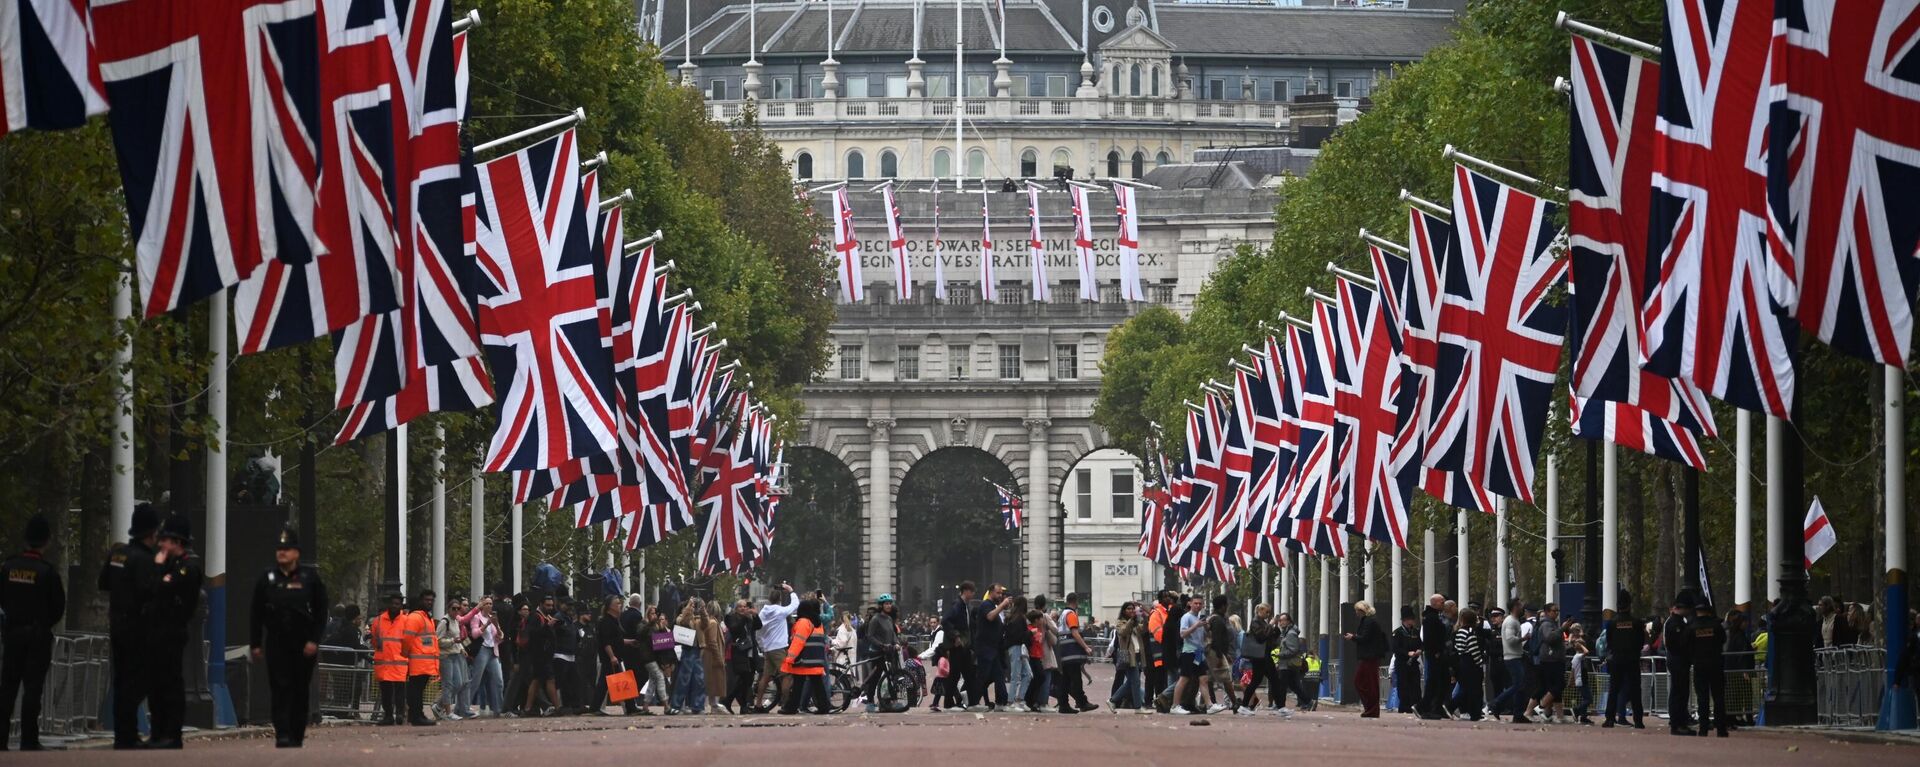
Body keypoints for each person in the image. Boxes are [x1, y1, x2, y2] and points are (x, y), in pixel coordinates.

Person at [247, 525, 326, 747]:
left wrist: (314, 640)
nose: (282, 552)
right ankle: (282, 732)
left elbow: (321, 611)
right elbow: (256, 612)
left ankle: (296, 732)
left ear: (296, 553)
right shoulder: (267, 578)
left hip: (303, 643)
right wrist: (255, 643)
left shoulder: (309, 578)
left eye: (287, 549)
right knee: (280, 687)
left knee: (300, 688)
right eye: (279, 549)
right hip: (277, 641)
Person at [0, 515, 65, 751]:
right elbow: (58, 607)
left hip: (13, 633)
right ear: (46, 541)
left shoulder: (8, 567)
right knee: (32, 689)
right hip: (37, 635)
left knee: (7, 687)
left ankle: (1, 738)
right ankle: (29, 739)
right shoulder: (47, 572)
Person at [101, 502, 159, 749]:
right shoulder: (145, 559)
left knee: (122, 680)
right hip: (138, 628)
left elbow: (103, 582)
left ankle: (123, 734)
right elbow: (149, 593)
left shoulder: (118, 554)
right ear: (151, 532)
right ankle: (129, 734)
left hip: (117, 625)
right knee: (139, 682)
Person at [145, 514, 202, 749]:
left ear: (177, 542)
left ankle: (172, 733)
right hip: (157, 630)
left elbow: (163, 588)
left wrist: (158, 569)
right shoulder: (168, 565)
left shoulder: (187, 568)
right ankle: (157, 732)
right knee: (155, 684)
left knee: (171, 683)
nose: (161, 544)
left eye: (166, 540)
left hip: (173, 630)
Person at [778, 598, 832, 714]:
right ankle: (823, 706)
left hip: (804, 660)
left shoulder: (803, 622)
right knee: (817, 685)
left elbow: (798, 641)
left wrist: (790, 658)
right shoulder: (817, 623)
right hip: (815, 659)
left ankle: (791, 707)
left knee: (798, 686)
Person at [1602, 591, 1647, 729]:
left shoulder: (1612, 623)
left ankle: (1610, 718)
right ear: (1629, 605)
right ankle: (1638, 720)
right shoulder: (1637, 622)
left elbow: (1608, 641)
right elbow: (1641, 641)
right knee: (1635, 690)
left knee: (1614, 689)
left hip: (1616, 659)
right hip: (1632, 659)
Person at [753, 582, 801, 712]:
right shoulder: (780, 611)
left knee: (766, 676)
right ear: (779, 599)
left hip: (768, 648)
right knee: (787, 676)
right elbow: (795, 605)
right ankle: (785, 704)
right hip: (779, 648)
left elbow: (758, 631)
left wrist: (762, 645)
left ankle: (758, 704)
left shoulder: (763, 612)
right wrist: (791, 591)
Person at [369, 593, 410, 725]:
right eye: (392, 603)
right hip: (384, 662)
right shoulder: (378, 621)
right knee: (386, 692)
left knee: (399, 691)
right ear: (388, 604)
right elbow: (375, 641)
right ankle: (388, 715)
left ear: (401, 605)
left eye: (397, 604)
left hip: (399, 661)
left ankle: (399, 714)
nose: (394, 606)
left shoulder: (406, 621)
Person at [1689, 597, 1728, 737]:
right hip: (1716, 663)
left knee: (1702, 698)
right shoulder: (1716, 626)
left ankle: (1703, 728)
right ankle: (1721, 729)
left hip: (1699, 664)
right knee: (1719, 697)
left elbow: (1687, 645)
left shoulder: (1691, 627)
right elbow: (1723, 639)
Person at [969, 583, 1012, 710]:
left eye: (1001, 593)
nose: (1000, 595)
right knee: (982, 676)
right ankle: (973, 702)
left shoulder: (993, 606)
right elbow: (990, 616)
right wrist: (1002, 605)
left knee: (999, 676)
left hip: (993, 648)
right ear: (991, 592)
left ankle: (1001, 702)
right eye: (998, 593)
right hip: (985, 647)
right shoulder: (985, 605)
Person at [1054, 592, 1098, 713]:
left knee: (1065, 680)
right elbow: (1074, 632)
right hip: (1071, 651)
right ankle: (1082, 702)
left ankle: (1063, 705)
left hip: (1063, 651)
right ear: (1076, 601)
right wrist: (1085, 647)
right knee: (1076, 679)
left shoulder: (1062, 614)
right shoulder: (1071, 614)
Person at [858, 594, 900, 712]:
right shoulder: (876, 619)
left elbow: (892, 635)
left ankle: (892, 701)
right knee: (875, 678)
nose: (888, 605)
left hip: (887, 652)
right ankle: (870, 703)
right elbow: (870, 636)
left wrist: (896, 644)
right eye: (886, 603)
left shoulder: (889, 619)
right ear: (881, 605)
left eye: (890, 603)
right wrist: (881, 645)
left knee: (890, 676)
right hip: (877, 652)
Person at [465, 596, 506, 716]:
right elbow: (474, 634)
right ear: (482, 605)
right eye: (487, 603)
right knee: (475, 681)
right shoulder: (476, 617)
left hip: (493, 650)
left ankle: (498, 709)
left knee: (498, 680)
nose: (489, 606)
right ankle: (464, 706)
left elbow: (500, 637)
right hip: (482, 649)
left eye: (491, 603)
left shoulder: (492, 618)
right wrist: (487, 624)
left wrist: (496, 625)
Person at [404, 590, 440, 725]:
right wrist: (405, 653)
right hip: (418, 661)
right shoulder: (416, 617)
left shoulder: (426, 617)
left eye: (431, 600)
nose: (429, 602)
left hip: (424, 661)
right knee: (416, 690)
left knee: (418, 690)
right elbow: (407, 638)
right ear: (420, 601)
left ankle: (417, 715)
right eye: (427, 600)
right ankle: (416, 716)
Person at [1347, 600, 1387, 718]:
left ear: (1362, 611)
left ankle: (1372, 708)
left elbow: (1364, 638)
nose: (1356, 613)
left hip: (1370, 656)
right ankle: (1370, 708)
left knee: (1365, 682)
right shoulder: (1369, 621)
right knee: (1367, 682)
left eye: (1357, 611)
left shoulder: (1369, 622)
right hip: (1369, 656)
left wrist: (1353, 637)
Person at [1203, 595, 1242, 715]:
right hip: (1216, 653)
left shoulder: (1212, 618)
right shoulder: (1218, 620)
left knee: (1208, 679)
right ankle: (1234, 702)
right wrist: (1220, 656)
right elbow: (1217, 640)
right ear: (1223, 606)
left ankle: (1208, 702)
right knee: (1226, 679)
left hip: (1211, 652)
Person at [1663, 592, 1694, 735]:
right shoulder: (1676, 623)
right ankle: (1678, 722)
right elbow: (1679, 643)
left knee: (1679, 691)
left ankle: (1678, 721)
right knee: (1679, 692)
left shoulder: (1675, 622)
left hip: (1677, 660)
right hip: (1679, 660)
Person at [437, 597, 474, 720]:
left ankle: (439, 705)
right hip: (445, 656)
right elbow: (438, 640)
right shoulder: (444, 622)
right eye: (454, 609)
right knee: (448, 684)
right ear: (448, 609)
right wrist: (453, 641)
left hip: (455, 654)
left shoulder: (455, 622)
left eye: (458, 609)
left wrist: (461, 648)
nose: (456, 611)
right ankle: (448, 712)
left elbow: (457, 638)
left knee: (458, 683)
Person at [1169, 595, 1207, 714]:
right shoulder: (1186, 617)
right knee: (1184, 679)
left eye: (1200, 603)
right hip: (1189, 652)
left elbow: (1202, 636)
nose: (1198, 606)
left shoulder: (1199, 618)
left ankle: (1210, 704)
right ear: (1190, 603)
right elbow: (1182, 634)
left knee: (1203, 679)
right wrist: (1196, 626)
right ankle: (1175, 706)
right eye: (1195, 603)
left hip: (1198, 652)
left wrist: (1206, 627)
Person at [721, 598, 760, 714]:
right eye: (740, 607)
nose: (743, 608)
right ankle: (731, 703)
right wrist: (744, 617)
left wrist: (755, 615)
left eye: (745, 606)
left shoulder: (749, 618)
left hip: (751, 652)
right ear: (736, 608)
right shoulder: (731, 617)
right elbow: (735, 629)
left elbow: (758, 626)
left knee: (748, 680)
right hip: (739, 651)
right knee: (741, 679)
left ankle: (737, 704)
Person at [1491, 598, 1527, 721]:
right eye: (1520, 606)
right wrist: (1523, 639)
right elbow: (1510, 639)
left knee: (1519, 686)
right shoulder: (1511, 622)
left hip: (1514, 656)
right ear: (1515, 607)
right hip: (1512, 657)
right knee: (1518, 685)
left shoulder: (1513, 621)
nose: (1522, 608)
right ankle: (1497, 702)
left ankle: (1518, 714)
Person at [1417, 593, 1452, 719]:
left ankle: (1437, 707)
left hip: (1438, 653)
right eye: (1442, 602)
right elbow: (1430, 638)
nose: (1443, 604)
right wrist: (1436, 651)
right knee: (1434, 682)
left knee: (1443, 681)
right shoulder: (1431, 618)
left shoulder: (1433, 617)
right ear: (1435, 603)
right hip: (1435, 654)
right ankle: (1424, 707)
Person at [1112, 601, 1148, 711]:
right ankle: (1138, 707)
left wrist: (1145, 619)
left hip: (1137, 654)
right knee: (1135, 682)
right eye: (1128, 609)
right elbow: (1123, 632)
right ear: (1124, 611)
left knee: (1131, 682)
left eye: (1132, 609)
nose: (1131, 611)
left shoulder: (1135, 623)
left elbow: (1143, 630)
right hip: (1126, 655)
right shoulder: (1120, 622)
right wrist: (1131, 621)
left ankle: (1112, 700)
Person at [1533, 603, 1566, 723]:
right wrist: (1562, 628)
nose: (1556, 613)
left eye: (1558, 610)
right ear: (1547, 612)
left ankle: (1559, 716)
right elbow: (1550, 638)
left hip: (1555, 659)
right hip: (1550, 660)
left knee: (1555, 688)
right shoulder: (1546, 624)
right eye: (1554, 611)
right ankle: (1541, 706)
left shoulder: (1552, 624)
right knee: (1558, 685)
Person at [597, 596, 630, 714]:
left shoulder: (615, 620)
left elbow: (617, 640)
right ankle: (630, 707)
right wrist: (612, 656)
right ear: (610, 606)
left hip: (616, 657)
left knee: (607, 683)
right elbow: (606, 641)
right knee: (608, 683)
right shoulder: (605, 621)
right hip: (610, 658)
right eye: (617, 603)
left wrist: (631, 642)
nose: (620, 605)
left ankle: (630, 707)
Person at [1452, 607, 1486, 721]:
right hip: (1471, 662)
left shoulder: (1459, 631)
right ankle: (1475, 714)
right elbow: (1474, 650)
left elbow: (1457, 647)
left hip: (1462, 660)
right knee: (1475, 690)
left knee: (1466, 688)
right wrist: (1480, 663)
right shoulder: (1470, 633)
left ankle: (1451, 706)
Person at [1271, 610, 1305, 718]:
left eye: (1282, 620)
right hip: (1286, 664)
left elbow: (1293, 650)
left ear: (1289, 621)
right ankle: (1308, 701)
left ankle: (1281, 706)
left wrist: (1280, 655)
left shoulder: (1290, 634)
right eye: (1279, 621)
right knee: (1293, 685)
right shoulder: (1286, 633)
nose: (1280, 623)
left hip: (1287, 664)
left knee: (1283, 686)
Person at [1390, 606, 1422, 715]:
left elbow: (1420, 644)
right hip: (1402, 663)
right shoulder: (1398, 633)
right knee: (1403, 686)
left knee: (1415, 685)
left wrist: (1419, 650)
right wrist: (1407, 653)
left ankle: (1416, 706)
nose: (1411, 622)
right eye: (1409, 619)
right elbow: (1395, 648)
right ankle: (1404, 707)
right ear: (1404, 620)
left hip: (1413, 662)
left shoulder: (1415, 632)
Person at [1002, 596, 1033, 711]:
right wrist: (1030, 634)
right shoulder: (1020, 619)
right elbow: (1020, 635)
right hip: (1017, 647)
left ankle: (1019, 699)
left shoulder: (1012, 618)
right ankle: (1011, 702)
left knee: (1026, 674)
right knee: (1017, 675)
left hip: (1014, 647)